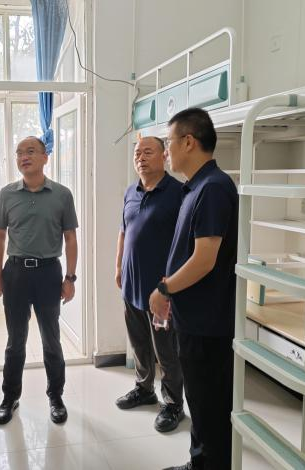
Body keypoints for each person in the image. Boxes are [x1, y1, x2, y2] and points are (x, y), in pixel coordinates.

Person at [149, 108, 237, 470]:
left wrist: (164, 288)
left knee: (210, 405)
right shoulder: (195, 188)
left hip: (208, 323)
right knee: (199, 401)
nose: (165, 151)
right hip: (194, 318)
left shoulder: (213, 188)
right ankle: (199, 463)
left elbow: (204, 260)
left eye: (168, 142)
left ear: (188, 141)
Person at [0, 136, 78, 425]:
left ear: (44, 157)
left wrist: (70, 278)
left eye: (30, 151)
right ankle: (9, 398)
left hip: (48, 273)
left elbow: (70, 238)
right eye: (19, 153)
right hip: (15, 273)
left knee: (51, 339)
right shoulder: (7, 194)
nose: (23, 157)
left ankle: (56, 397)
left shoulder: (62, 195)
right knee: (15, 341)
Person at [115, 136, 185, 433]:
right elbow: (124, 231)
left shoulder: (178, 193)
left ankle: (173, 403)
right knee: (139, 343)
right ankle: (144, 389)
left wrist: (169, 285)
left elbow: (185, 243)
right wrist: (118, 266)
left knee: (166, 350)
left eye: (147, 152)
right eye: (137, 154)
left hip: (161, 290)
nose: (141, 158)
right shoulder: (130, 192)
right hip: (131, 284)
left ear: (164, 155)